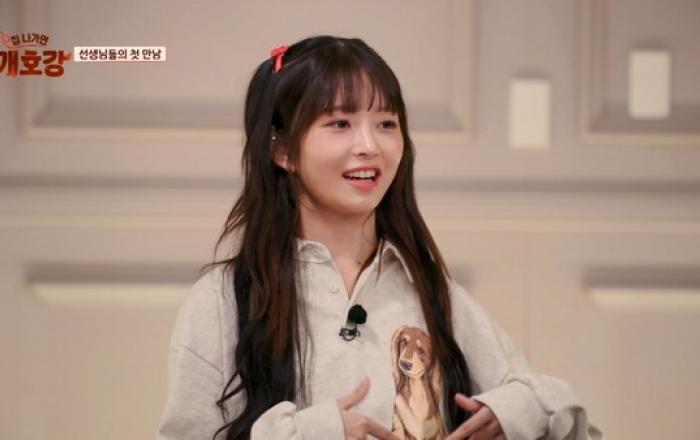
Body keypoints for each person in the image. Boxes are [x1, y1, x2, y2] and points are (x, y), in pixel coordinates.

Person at [156, 35, 603, 440]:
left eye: (387, 123)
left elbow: (565, 418)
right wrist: (313, 433)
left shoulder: (430, 289)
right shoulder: (223, 301)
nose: (370, 145)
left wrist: (519, 410)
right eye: (340, 123)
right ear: (282, 149)